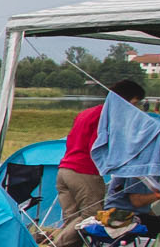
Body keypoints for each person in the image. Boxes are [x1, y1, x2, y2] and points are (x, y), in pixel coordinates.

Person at [56, 134, 160, 247]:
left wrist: (154, 216)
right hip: (120, 216)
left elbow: (143, 205)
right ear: (157, 153)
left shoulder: (152, 170)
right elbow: (136, 201)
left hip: (135, 215)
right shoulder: (138, 169)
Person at [56, 77, 145, 235]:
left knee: (72, 218)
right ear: (124, 101)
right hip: (84, 172)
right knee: (90, 218)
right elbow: (97, 148)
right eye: (135, 102)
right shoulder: (106, 117)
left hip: (64, 170)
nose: (135, 108)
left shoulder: (87, 113)